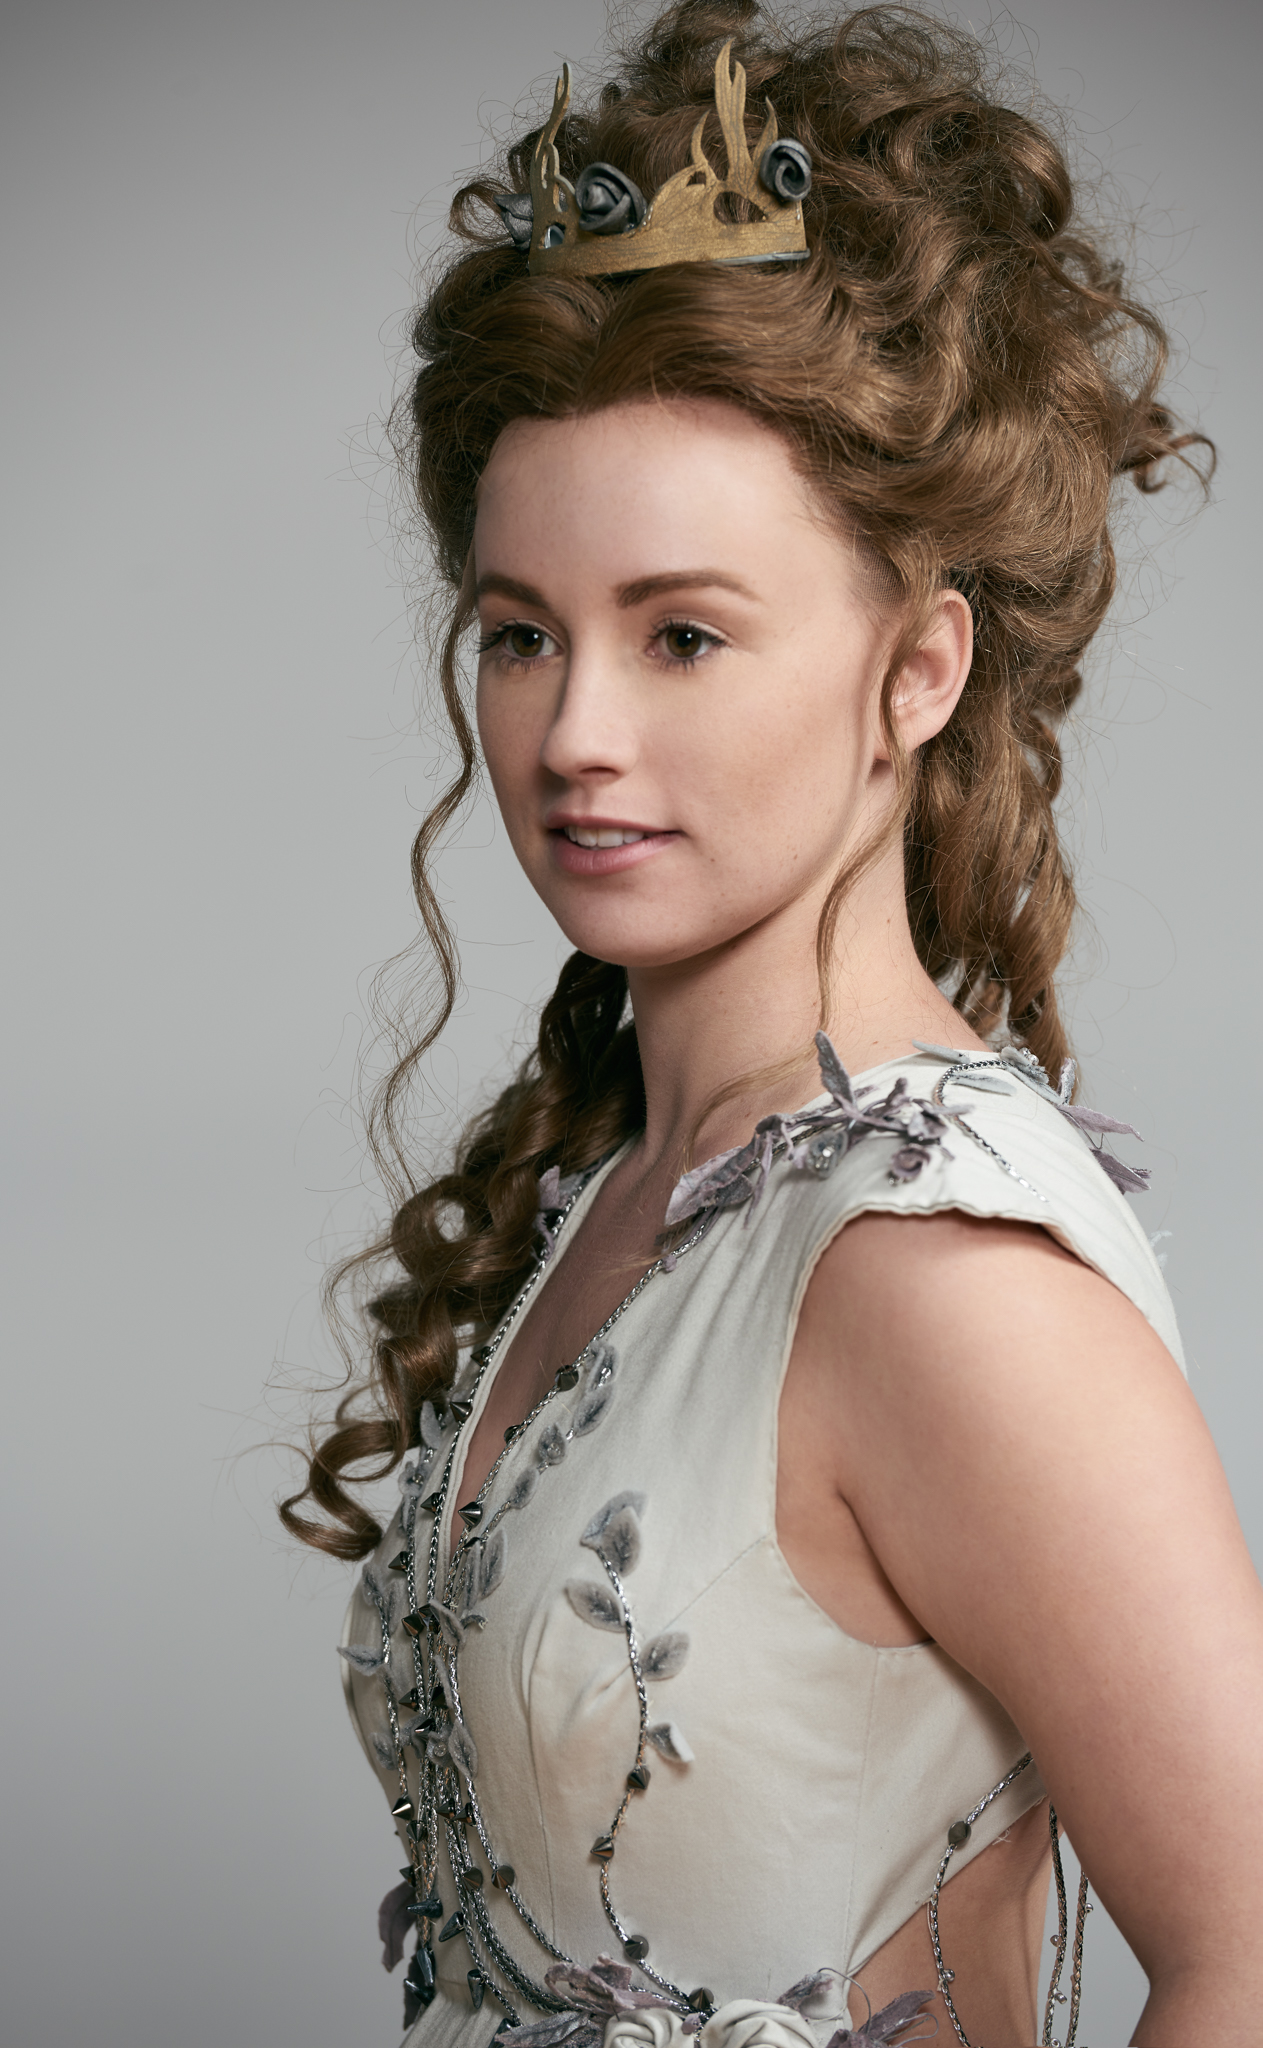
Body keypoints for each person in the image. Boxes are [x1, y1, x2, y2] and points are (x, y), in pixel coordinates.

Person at [281, 5, 1263, 2042]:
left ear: (920, 668)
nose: (575, 731)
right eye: (522, 633)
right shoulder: (630, 1187)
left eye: (683, 633)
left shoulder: (938, 1274)